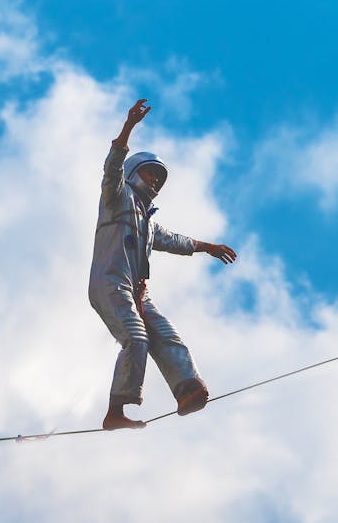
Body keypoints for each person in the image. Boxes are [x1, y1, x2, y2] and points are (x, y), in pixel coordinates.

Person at [89, 98, 237, 430]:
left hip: (136, 291)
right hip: (109, 284)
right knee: (136, 338)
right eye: (150, 174)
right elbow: (112, 167)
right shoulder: (116, 199)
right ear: (133, 174)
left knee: (168, 337)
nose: (155, 181)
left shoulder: (147, 220)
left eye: (159, 178)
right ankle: (116, 410)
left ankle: (188, 389)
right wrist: (128, 127)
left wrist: (207, 247)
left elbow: (172, 239)